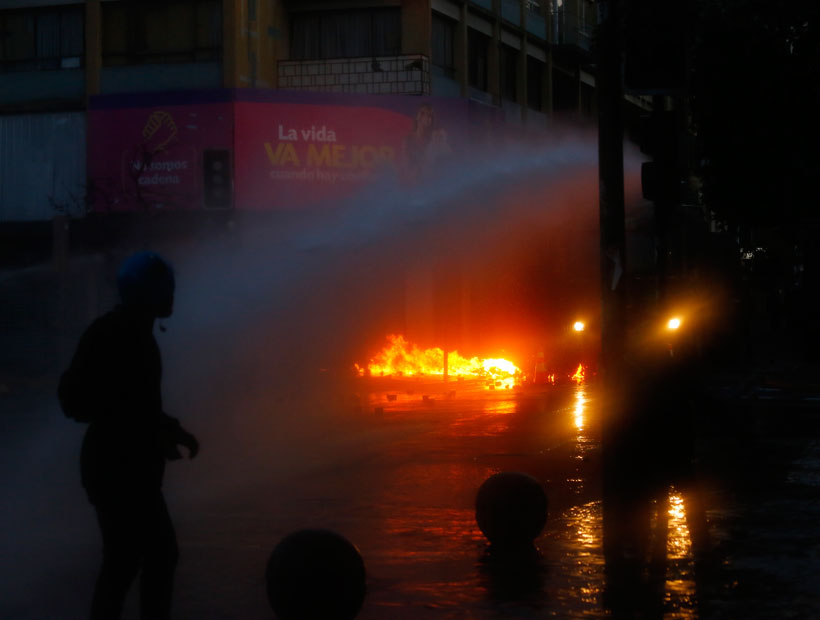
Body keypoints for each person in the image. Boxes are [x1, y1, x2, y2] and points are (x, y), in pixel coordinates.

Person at [59, 251, 199, 620]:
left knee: (136, 558)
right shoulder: (117, 334)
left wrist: (168, 428)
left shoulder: (135, 333)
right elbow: (95, 402)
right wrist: (152, 429)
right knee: (145, 556)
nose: (171, 296)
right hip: (118, 468)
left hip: (123, 466)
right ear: (143, 293)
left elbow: (136, 404)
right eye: (163, 289)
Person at [401, 103, 452, 183]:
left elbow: (448, 158)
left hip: (433, 182)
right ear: (419, 117)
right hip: (415, 183)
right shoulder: (408, 140)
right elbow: (406, 167)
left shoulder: (434, 139)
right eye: (427, 115)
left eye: (431, 116)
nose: (430, 119)